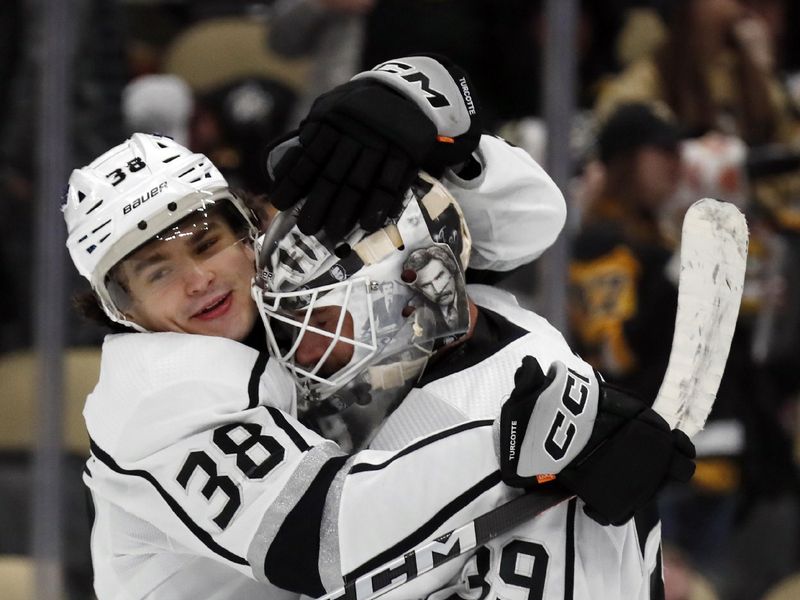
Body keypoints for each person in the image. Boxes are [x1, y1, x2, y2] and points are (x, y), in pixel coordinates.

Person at [62, 56, 575, 598]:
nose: (198, 280)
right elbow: (323, 541)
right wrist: (540, 437)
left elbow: (523, 230)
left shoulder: (279, 282)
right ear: (121, 311)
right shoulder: (154, 393)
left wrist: (427, 115)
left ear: (246, 231)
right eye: (158, 273)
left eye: (206, 243)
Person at [254, 164, 697, 599]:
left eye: (323, 323)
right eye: (293, 329)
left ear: (414, 290)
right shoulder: (492, 317)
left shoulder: (508, 410)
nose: (305, 354)